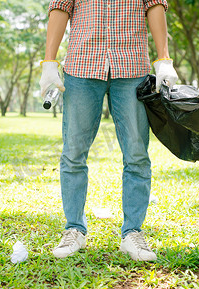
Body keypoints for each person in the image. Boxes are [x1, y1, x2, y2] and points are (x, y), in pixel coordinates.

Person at [39, 0, 178, 261]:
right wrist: (49, 61)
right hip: (81, 67)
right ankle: (73, 229)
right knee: (73, 153)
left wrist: (163, 58)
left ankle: (132, 233)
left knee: (137, 154)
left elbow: (155, 6)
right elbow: (60, 7)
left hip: (132, 67)